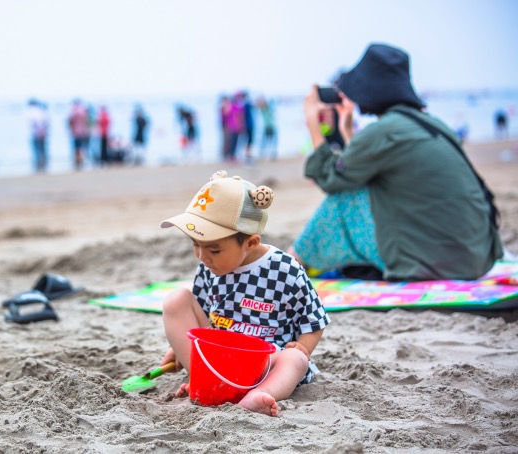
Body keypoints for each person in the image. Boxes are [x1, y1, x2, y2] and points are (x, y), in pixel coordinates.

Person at [289, 43, 502, 282]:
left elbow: (332, 178)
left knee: (343, 198)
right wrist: (346, 130)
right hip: (475, 255)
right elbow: (363, 168)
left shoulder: (385, 132)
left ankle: (291, 265)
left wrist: (312, 122)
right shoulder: (429, 123)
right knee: (361, 189)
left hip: (442, 262)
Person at [159, 170, 330, 417]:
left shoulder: (284, 269)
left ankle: (254, 397)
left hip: (265, 361)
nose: (202, 256)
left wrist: (303, 346)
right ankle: (204, 380)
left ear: (250, 242)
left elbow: (314, 318)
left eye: (214, 250)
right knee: (176, 300)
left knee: (296, 361)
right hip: (220, 359)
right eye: (195, 245)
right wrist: (181, 348)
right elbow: (202, 316)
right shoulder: (208, 267)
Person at [27, 99, 49, 173]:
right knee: (42, 150)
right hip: (42, 134)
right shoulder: (42, 112)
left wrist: (39, 132)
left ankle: (39, 165)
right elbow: (46, 124)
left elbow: (37, 124)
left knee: (37, 150)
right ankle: (43, 165)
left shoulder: (33, 112)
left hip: (37, 134)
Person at [67, 100, 90, 170]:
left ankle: (77, 161)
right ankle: (81, 161)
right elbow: (87, 121)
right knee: (81, 147)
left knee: (77, 148)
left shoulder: (73, 111)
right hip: (83, 132)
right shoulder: (83, 111)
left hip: (75, 133)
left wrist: (71, 129)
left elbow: (70, 121)